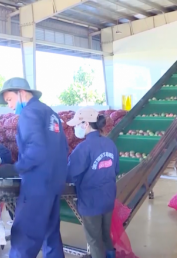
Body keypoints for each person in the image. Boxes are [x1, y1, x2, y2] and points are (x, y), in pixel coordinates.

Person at [0, 77, 68, 258]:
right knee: (51, 237)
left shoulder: (29, 114)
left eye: (10, 100)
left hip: (36, 186)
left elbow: (37, 149)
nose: (9, 106)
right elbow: (63, 147)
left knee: (24, 238)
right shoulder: (50, 113)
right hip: (55, 184)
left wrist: (16, 168)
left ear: (22, 93)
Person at [66, 107, 119, 258]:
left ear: (86, 124)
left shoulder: (83, 148)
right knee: (105, 235)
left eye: (78, 124)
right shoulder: (110, 144)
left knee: (94, 240)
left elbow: (70, 175)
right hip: (108, 198)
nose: (76, 128)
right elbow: (115, 170)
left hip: (91, 201)